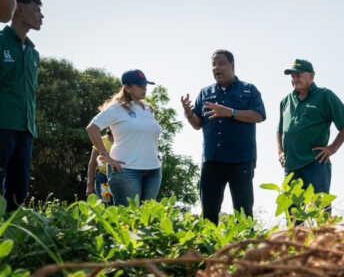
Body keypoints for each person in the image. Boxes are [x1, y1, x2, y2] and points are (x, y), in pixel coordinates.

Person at [181, 50, 265, 224]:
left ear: (232, 65)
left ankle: (245, 249)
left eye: (221, 63)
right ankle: (207, 250)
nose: (216, 68)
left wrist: (230, 112)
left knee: (243, 214)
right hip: (212, 161)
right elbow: (197, 124)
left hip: (241, 161)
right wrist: (189, 113)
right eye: (213, 64)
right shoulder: (205, 93)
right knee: (208, 214)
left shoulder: (249, 90)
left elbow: (259, 115)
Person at [278, 59, 344, 199]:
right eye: (292, 76)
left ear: (312, 76)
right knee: (292, 213)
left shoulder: (325, 96)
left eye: (299, 75)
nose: (295, 79)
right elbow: (280, 130)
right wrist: (280, 151)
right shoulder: (286, 101)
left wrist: (332, 148)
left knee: (320, 210)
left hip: (315, 164)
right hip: (291, 166)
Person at [85, 70, 163, 206]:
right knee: (128, 219)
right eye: (140, 86)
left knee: (147, 219)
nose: (144, 88)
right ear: (127, 88)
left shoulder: (148, 109)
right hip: (126, 171)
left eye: (145, 85)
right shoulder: (116, 108)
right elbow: (92, 129)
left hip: (153, 170)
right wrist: (106, 156)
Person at [0, 0, 43, 212]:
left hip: (26, 129)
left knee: (19, 189)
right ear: (17, 9)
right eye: (35, 10)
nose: (41, 16)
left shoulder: (34, 54)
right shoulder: (1, 43)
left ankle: (12, 236)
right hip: (2, 125)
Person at [85, 130, 114, 202]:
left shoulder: (125, 139)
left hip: (123, 177)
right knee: (107, 205)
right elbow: (92, 164)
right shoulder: (101, 141)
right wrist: (89, 185)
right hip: (104, 179)